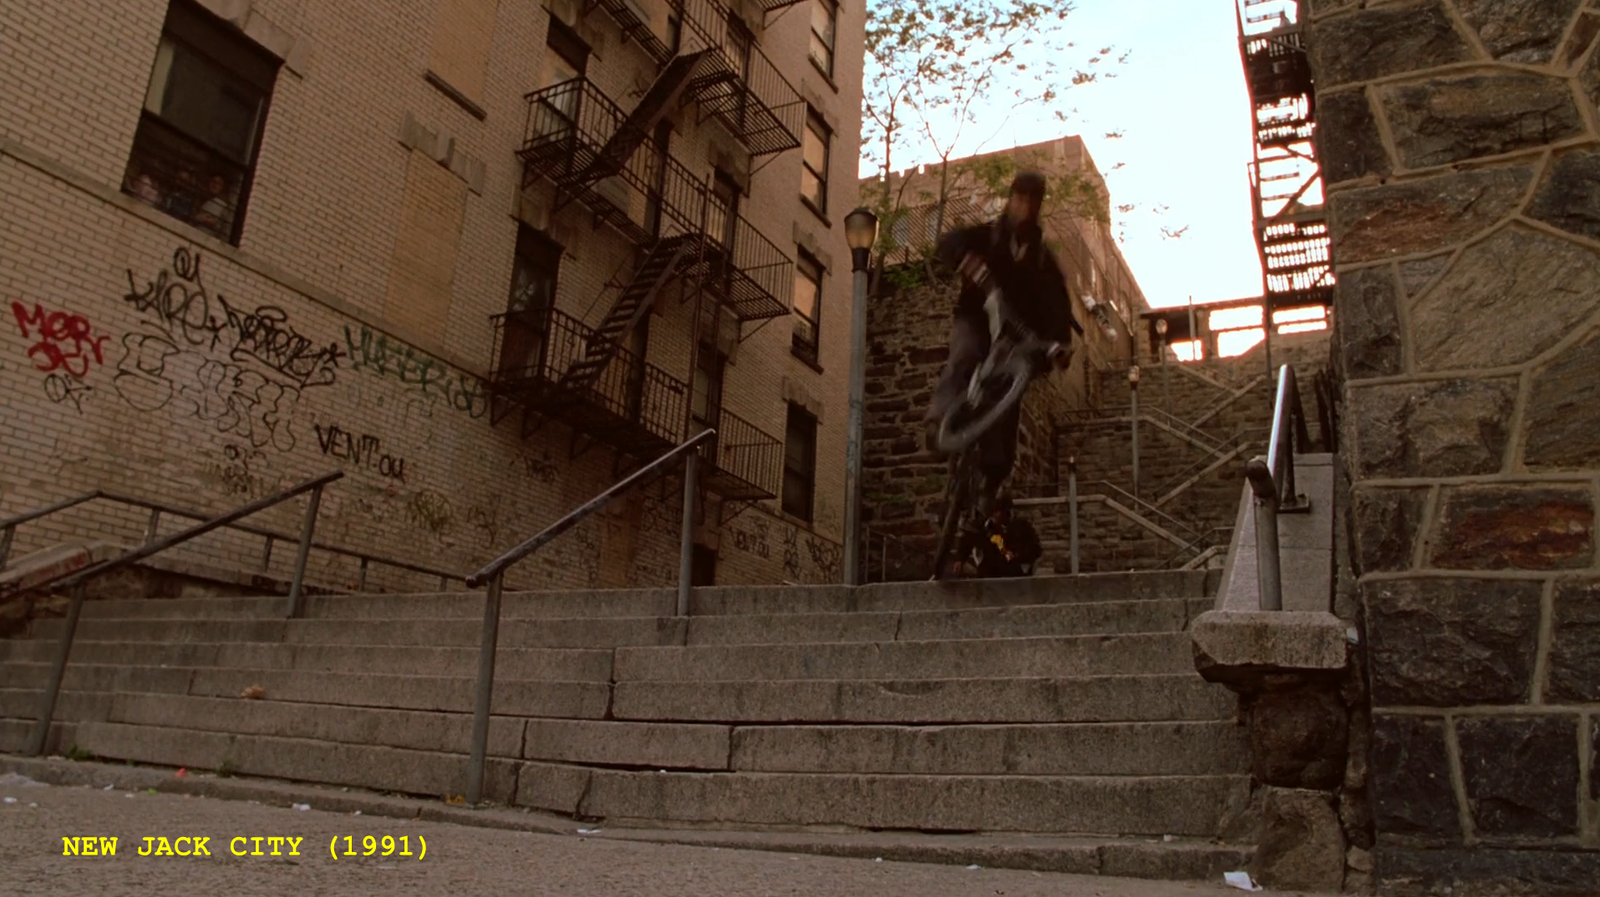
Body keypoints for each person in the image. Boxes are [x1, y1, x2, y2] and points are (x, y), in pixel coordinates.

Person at [923, 171, 1082, 514]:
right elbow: (949, 244)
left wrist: (1059, 346)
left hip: (1017, 336)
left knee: (1009, 405)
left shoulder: (1042, 259)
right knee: (965, 354)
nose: (1024, 207)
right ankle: (938, 421)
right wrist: (965, 260)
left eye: (1031, 201)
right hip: (976, 318)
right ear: (1011, 200)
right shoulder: (986, 236)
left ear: (1038, 206)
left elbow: (1058, 305)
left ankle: (991, 480)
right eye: (1019, 199)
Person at [955, 489, 1043, 578]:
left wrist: (1017, 556)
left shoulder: (1021, 526)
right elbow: (967, 540)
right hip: (988, 573)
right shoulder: (983, 526)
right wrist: (960, 559)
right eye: (995, 511)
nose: (997, 514)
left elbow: (1035, 549)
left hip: (1012, 573)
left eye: (1001, 511)